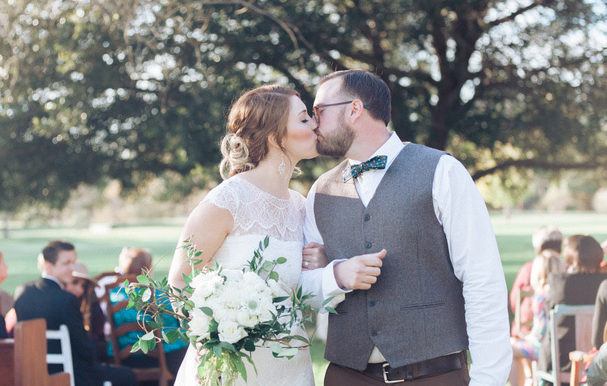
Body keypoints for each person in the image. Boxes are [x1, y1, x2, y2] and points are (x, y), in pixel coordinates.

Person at [303, 70, 512, 385]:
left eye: (319, 111)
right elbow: (305, 288)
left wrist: (488, 379)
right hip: (346, 376)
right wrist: (336, 276)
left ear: (354, 109)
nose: (314, 123)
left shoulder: (442, 171)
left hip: (435, 376)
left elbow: (483, 280)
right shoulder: (320, 191)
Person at [168, 84, 321, 385]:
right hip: (231, 370)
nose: (316, 124)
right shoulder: (228, 200)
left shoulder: (301, 206)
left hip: (290, 368)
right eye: (304, 118)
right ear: (276, 137)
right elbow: (178, 283)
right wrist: (212, 341)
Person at [14, 240, 135, 386]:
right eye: (66, 263)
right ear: (48, 266)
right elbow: (83, 349)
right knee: (127, 375)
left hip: (32, 373)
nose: (72, 268)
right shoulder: (66, 300)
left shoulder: (22, 292)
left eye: (73, 262)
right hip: (69, 373)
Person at [108, 247, 188, 379]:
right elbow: (176, 324)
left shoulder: (113, 296)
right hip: (159, 359)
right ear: (148, 269)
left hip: (124, 362)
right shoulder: (159, 296)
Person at [538, 234, 607, 377]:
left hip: (562, 360)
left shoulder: (560, 282)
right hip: (598, 360)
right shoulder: (604, 283)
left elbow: (547, 311)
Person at [508, 250, 565, 386]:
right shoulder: (564, 292)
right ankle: (530, 380)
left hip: (545, 349)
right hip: (563, 346)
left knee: (508, 347)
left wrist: (526, 337)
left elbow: (540, 333)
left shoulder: (540, 298)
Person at [509, 226, 563, 337]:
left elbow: (514, 302)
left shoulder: (528, 269)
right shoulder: (566, 270)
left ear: (538, 249)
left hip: (527, 331)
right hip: (559, 332)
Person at [64, 262, 106, 362]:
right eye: (74, 282)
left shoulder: (90, 302)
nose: (79, 289)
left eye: (83, 286)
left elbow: (98, 331)